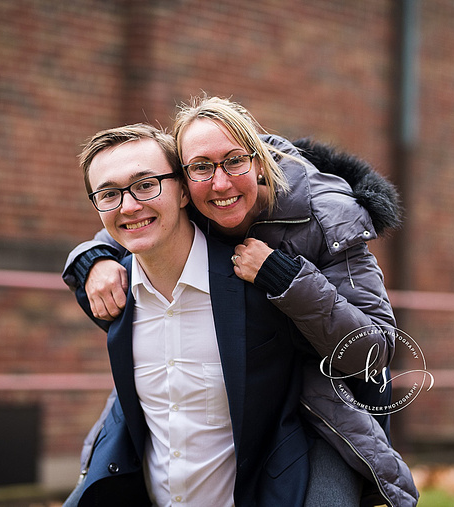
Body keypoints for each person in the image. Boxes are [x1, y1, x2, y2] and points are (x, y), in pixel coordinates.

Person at [65, 96, 417, 506]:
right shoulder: (189, 200)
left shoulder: (328, 216)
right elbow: (135, 211)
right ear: (184, 181)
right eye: (200, 168)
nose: (220, 183)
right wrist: (92, 258)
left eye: (235, 161)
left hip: (322, 389)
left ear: (260, 162)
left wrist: (284, 278)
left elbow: (375, 352)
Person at [68, 123, 311, 506]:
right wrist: (89, 261)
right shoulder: (111, 294)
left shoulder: (259, 286)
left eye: (146, 185)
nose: (129, 206)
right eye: (109, 194)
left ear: (183, 190)